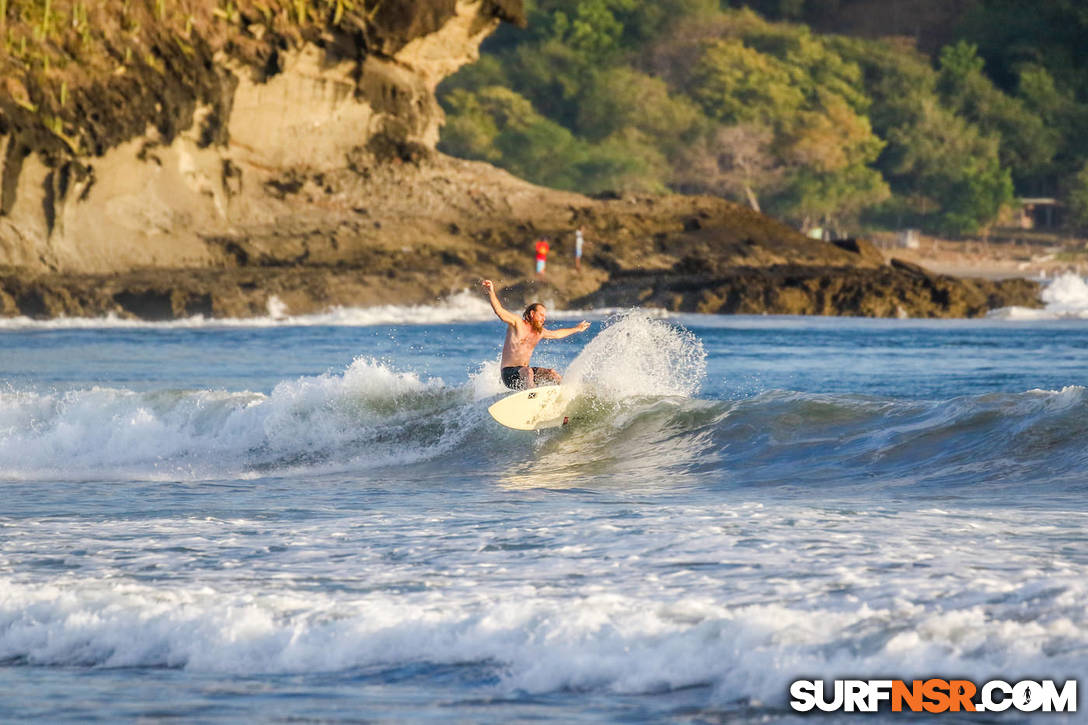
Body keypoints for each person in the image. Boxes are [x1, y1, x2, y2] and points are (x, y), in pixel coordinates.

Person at [481, 279, 590, 390]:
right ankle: (531, 395)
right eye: (541, 315)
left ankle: (566, 391)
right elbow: (499, 311)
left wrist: (577, 329)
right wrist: (491, 292)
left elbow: (557, 334)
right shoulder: (517, 323)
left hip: (525, 374)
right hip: (508, 374)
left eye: (544, 316)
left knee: (552, 373)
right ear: (532, 313)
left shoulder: (539, 332)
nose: (544, 318)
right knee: (527, 371)